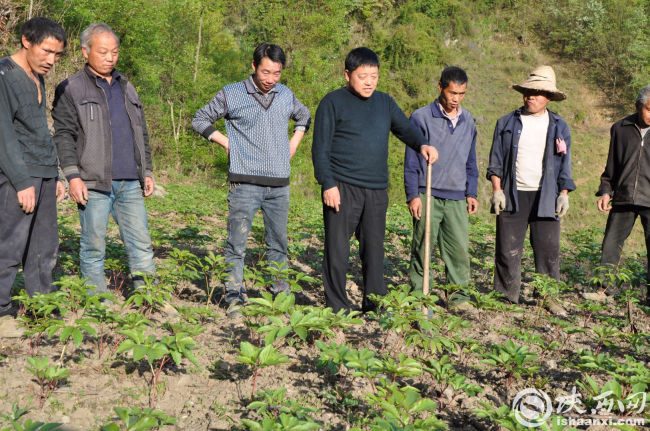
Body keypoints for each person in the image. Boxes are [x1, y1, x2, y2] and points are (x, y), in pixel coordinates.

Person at [312, 47, 438, 314]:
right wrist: (327, 182)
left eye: (374, 76)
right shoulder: (332, 102)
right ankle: (338, 307)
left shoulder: (385, 102)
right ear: (347, 75)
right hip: (342, 186)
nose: (369, 82)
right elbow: (320, 147)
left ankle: (375, 304)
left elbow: (405, 128)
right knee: (337, 250)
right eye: (362, 76)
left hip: (377, 189)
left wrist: (422, 145)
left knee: (374, 250)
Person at [192, 43, 311, 318]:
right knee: (237, 244)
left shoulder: (285, 94)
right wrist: (226, 142)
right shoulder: (232, 93)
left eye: (277, 73)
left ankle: (279, 298)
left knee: (278, 244)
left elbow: (304, 116)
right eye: (266, 72)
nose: (270, 79)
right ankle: (234, 297)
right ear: (253, 66)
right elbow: (200, 119)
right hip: (245, 183)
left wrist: (294, 142)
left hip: (280, 184)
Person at [52, 23, 156, 295]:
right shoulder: (70, 88)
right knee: (94, 244)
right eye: (103, 52)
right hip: (93, 182)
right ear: (85, 52)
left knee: (141, 243)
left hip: (131, 181)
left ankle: (148, 297)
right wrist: (73, 176)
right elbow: (63, 135)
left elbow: (140, 132)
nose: (111, 57)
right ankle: (96, 300)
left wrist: (147, 170)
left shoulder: (127, 87)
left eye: (115, 52)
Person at [486, 65, 575, 314]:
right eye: (528, 91)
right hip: (513, 194)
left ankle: (547, 297)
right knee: (507, 247)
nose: (531, 97)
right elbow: (495, 161)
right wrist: (497, 190)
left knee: (548, 249)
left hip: (546, 195)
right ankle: (506, 296)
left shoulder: (559, 126)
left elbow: (564, 165)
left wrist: (563, 194)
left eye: (538, 92)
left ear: (548, 97)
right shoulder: (506, 123)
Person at [0, 17, 67, 321]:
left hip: (44, 173)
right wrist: (22, 180)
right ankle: (1, 309)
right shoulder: (4, 75)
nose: (51, 60)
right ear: (26, 41)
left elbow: (40, 129)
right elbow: (3, 134)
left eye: (57, 55)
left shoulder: (37, 75)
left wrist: (55, 174)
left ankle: (40, 307)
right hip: (17, 175)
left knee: (44, 245)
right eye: (46, 51)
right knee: (10, 244)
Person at [405, 66, 477, 310]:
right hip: (428, 194)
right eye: (452, 92)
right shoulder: (422, 117)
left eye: (462, 94)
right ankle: (420, 296)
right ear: (440, 88)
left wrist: (471, 192)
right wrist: (412, 195)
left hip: (456, 196)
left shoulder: (468, 121)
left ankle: (459, 299)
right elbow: (411, 160)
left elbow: (471, 160)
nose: (456, 98)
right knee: (422, 247)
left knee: (458, 250)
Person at [596, 85, 650, 306]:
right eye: (648, 109)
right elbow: (611, 165)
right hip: (624, 196)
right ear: (638, 106)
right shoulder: (620, 128)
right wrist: (606, 190)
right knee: (611, 243)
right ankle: (604, 289)